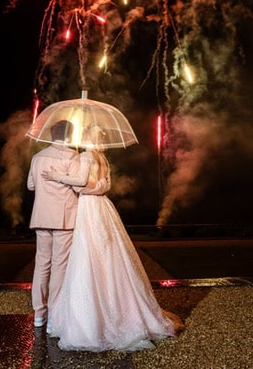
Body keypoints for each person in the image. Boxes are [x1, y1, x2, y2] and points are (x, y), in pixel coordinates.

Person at [42, 129, 183, 352]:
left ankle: (95, 321)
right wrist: (95, 187)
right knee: (109, 256)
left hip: (89, 208)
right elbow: (106, 186)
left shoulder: (86, 156)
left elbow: (79, 182)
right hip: (104, 207)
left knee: (88, 256)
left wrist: (57, 177)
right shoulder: (103, 158)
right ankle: (121, 310)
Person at [26, 119, 88, 332]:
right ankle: (55, 314)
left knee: (42, 264)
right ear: (69, 136)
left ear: (52, 135)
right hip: (64, 218)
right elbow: (79, 187)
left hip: (42, 216)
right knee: (60, 266)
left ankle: (39, 315)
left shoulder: (37, 157)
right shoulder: (73, 156)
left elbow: (31, 185)